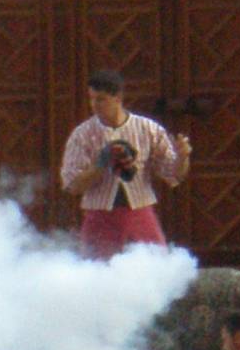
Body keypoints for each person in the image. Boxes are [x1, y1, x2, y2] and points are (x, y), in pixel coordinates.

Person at [59, 69, 191, 258]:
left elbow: (174, 173)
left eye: (101, 99)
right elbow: (72, 185)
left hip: (140, 213)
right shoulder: (82, 135)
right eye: (92, 99)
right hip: (100, 217)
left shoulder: (148, 129)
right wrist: (101, 165)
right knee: (97, 276)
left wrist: (182, 157)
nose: (94, 105)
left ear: (118, 98)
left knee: (155, 271)